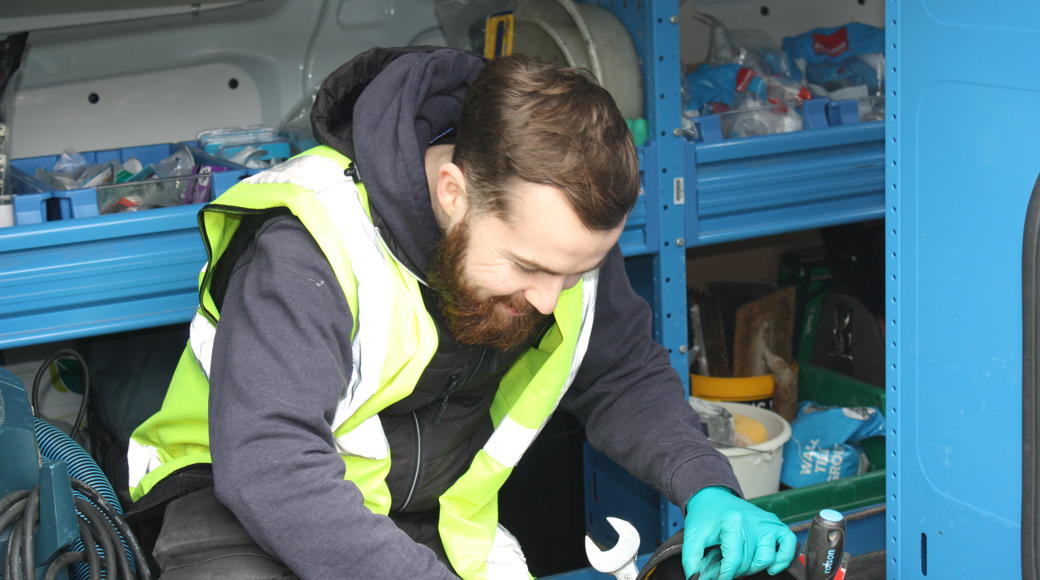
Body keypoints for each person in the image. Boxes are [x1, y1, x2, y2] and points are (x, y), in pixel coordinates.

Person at [123, 46, 795, 580]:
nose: (550, 300)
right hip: (233, 511)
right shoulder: (312, 243)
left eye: (576, 271)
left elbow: (621, 374)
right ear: (452, 191)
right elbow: (271, 464)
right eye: (529, 268)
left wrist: (708, 486)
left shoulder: (557, 242)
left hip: (422, 519)